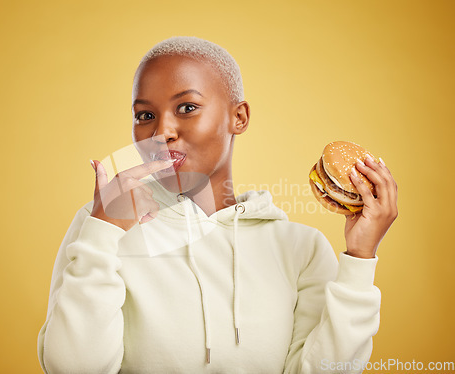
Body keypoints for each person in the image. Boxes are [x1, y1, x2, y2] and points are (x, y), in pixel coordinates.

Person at [37, 36, 398, 374]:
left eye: (187, 107)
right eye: (145, 115)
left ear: (238, 117)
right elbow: (71, 367)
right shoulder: (103, 226)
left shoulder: (299, 248)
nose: (162, 131)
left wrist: (360, 258)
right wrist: (102, 232)